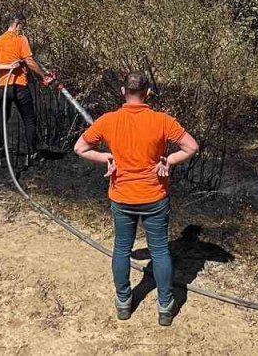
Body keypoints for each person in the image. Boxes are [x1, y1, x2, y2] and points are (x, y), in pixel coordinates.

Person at [73, 73, 199, 327]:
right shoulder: (162, 121)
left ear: (123, 91)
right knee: (160, 250)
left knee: (121, 248)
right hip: (154, 196)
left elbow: (80, 148)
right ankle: (165, 306)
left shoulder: (108, 121)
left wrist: (107, 157)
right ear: (148, 93)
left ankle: (123, 303)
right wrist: (169, 161)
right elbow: (191, 147)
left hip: (122, 196)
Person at [0, 12, 54, 164]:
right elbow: (29, 61)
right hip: (19, 86)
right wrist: (43, 77)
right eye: (22, 26)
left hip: (3, 88)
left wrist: (5, 66)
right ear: (17, 25)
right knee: (29, 118)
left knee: (3, 117)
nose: (23, 30)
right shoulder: (20, 39)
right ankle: (32, 153)